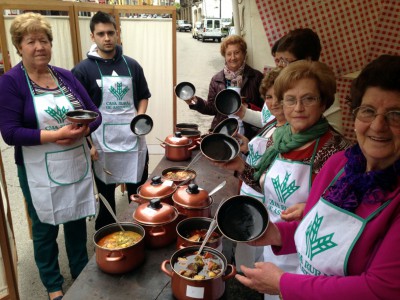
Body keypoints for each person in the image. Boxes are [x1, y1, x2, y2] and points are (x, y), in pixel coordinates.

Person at [234, 54, 400, 299]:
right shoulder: (341, 164)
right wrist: (277, 234)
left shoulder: (333, 149)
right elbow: (315, 224)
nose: (378, 125)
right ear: (354, 115)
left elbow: (380, 289)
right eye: (368, 111)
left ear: (324, 103)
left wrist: (284, 285)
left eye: (395, 115)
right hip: (295, 277)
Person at [216, 60, 352, 299]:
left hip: (308, 263)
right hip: (274, 245)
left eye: (308, 98)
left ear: (324, 102)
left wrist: (311, 208)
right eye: (290, 99)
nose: (298, 107)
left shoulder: (334, 151)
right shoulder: (280, 139)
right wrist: (240, 167)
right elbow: (266, 185)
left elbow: (341, 219)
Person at [0, 13, 102, 300]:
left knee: (75, 219)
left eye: (43, 40)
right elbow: (10, 133)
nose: (39, 47)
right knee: (44, 227)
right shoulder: (11, 82)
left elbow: (95, 113)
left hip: (73, 161)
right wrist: (54, 136)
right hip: (37, 169)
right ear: (19, 47)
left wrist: (83, 131)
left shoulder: (65, 77)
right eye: (30, 41)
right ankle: (53, 284)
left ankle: (81, 270)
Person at [72, 11, 151, 231]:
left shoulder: (131, 65)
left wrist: (140, 116)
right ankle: (109, 239)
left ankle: (140, 231)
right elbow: (78, 113)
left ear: (117, 34)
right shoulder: (82, 70)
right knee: (107, 200)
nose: (106, 38)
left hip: (132, 140)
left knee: (138, 196)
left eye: (110, 32)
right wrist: (88, 145)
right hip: (102, 145)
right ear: (92, 36)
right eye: (101, 34)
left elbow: (143, 95)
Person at [240, 28, 343, 134]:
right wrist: (241, 112)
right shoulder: (280, 85)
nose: (279, 66)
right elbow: (268, 120)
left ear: (307, 60)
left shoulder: (322, 89)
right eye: (277, 60)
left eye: (285, 61)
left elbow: (334, 135)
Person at [234, 67, 285, 274]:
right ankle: (245, 277)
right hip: (251, 191)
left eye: (280, 97)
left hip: (263, 199)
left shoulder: (289, 133)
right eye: (269, 97)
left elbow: (270, 174)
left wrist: (241, 166)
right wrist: (247, 146)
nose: (273, 102)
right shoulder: (273, 122)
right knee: (247, 248)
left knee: (259, 250)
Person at [185, 34, 264, 139]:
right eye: (228, 54)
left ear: (244, 54)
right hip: (223, 133)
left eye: (237, 53)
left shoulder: (256, 77)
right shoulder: (217, 79)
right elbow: (212, 108)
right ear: (224, 56)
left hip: (250, 135)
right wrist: (195, 101)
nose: (233, 58)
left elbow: (266, 109)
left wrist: (248, 108)